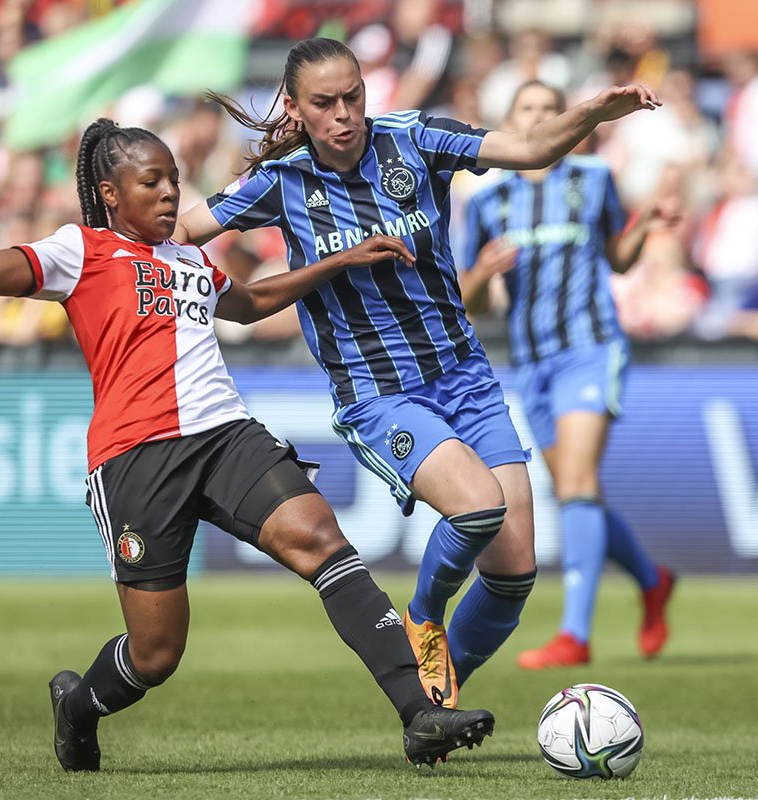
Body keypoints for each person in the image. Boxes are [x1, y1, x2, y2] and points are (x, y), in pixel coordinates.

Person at [0, 117, 495, 772]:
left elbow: (253, 300)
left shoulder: (190, 259)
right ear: (109, 194)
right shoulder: (81, 251)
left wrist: (338, 262)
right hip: (137, 458)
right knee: (156, 654)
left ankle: (420, 714)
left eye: (174, 181)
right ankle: (79, 706)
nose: (168, 194)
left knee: (322, 539)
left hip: (225, 435)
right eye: (150, 181)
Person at [173, 38, 660, 706]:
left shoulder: (417, 137)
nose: (344, 113)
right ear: (295, 107)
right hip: (380, 394)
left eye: (353, 96)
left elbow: (528, 149)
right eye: (325, 103)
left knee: (514, 572)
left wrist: (591, 113)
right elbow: (173, 236)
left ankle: (433, 704)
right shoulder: (277, 181)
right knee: (480, 507)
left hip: (466, 377)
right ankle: (425, 614)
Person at [457, 81, 676, 669]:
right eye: (526, 109)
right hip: (531, 362)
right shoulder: (486, 202)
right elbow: (468, 301)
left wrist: (647, 222)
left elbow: (617, 258)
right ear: (509, 122)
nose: (539, 117)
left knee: (577, 484)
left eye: (548, 109)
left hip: (590, 348)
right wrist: (482, 270)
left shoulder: (593, 180)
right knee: (578, 493)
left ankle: (574, 635)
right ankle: (652, 581)